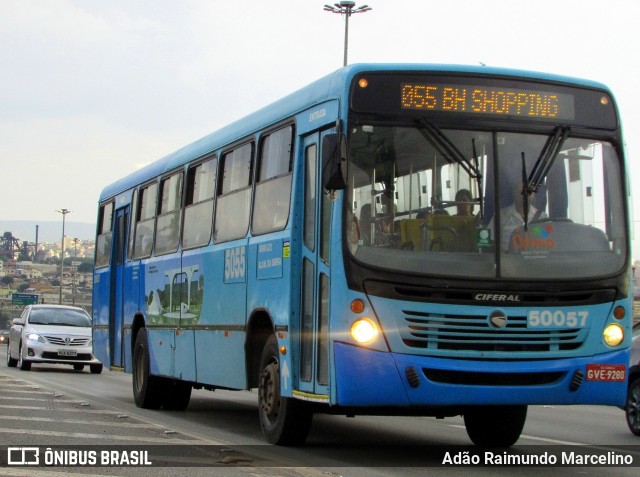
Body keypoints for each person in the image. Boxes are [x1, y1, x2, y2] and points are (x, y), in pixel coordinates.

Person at [491, 182, 545, 251]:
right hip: (507, 260)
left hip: (534, 260)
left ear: (534, 195)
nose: (525, 195)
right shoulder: (500, 216)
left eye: (529, 192)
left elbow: (546, 238)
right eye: (522, 192)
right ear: (514, 194)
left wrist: (537, 231)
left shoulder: (542, 217)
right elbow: (490, 242)